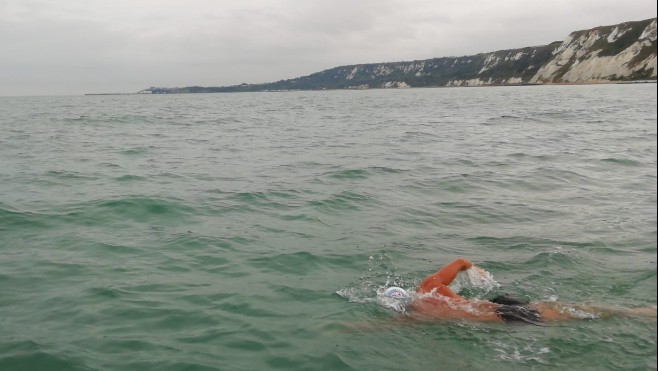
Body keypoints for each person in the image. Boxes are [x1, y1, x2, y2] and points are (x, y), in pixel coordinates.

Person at [386, 258, 656, 325]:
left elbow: (373, 326)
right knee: (579, 308)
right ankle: (641, 311)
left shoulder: (415, 315)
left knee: (578, 315)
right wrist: (473, 269)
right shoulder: (429, 286)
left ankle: (644, 313)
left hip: (505, 315)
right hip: (498, 303)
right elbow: (459, 262)